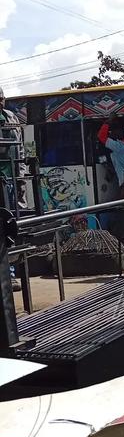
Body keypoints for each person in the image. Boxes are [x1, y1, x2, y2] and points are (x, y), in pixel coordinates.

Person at [0, 86, 27, 291]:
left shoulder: (11, 117)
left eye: (1, 98)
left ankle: (10, 274)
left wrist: (22, 176)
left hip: (10, 177)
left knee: (9, 228)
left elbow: (20, 147)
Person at [98, 117, 124, 198]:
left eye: (112, 131)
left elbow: (101, 136)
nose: (110, 134)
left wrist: (107, 123)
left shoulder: (120, 146)